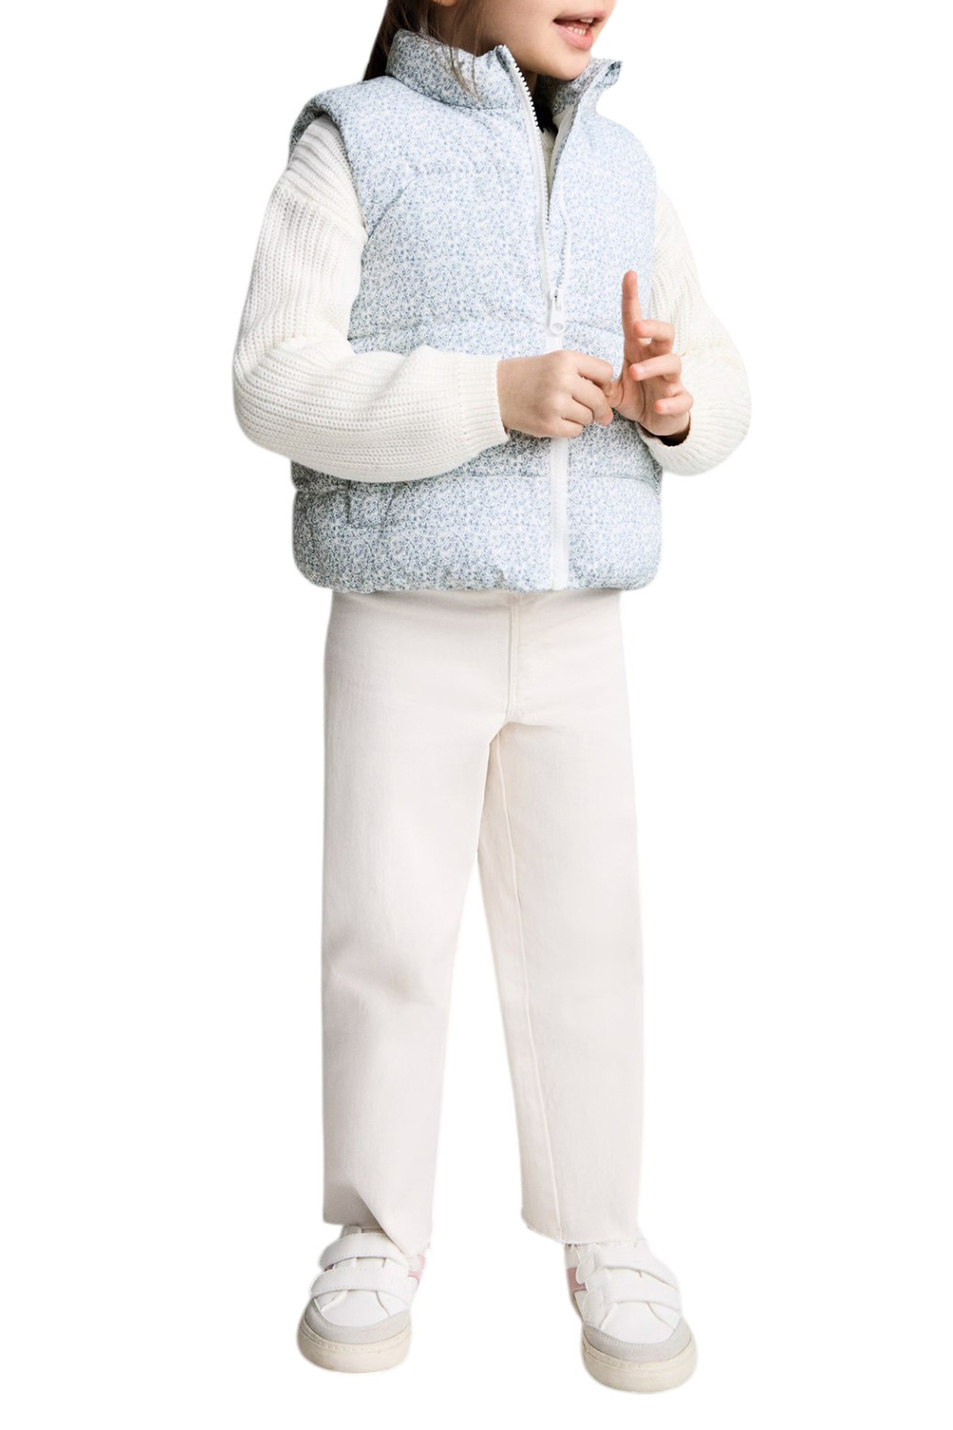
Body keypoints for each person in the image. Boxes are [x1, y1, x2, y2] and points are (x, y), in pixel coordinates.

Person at [232, 0, 750, 1393]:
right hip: (405, 612)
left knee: (590, 938)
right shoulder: (356, 143)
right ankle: (377, 1224)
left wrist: (673, 404)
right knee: (388, 931)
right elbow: (273, 379)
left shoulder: (624, 164)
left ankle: (604, 1225)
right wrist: (490, 397)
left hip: (577, 624)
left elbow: (722, 380)